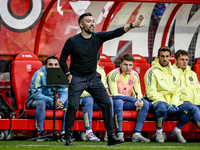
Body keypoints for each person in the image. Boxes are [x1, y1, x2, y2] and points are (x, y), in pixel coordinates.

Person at [59, 12, 144, 146]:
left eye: (93, 21)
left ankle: (111, 137)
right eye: (88, 21)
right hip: (78, 78)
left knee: (106, 103)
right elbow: (62, 60)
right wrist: (69, 75)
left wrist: (133, 25)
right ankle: (68, 138)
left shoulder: (97, 37)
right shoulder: (72, 41)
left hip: (93, 78)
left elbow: (116, 32)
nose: (92, 23)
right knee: (73, 105)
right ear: (81, 25)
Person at [144, 46, 196, 143]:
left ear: (170, 57)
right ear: (158, 57)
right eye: (162, 56)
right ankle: (159, 131)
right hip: (156, 103)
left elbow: (177, 91)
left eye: (167, 56)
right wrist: (167, 104)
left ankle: (177, 130)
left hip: (171, 104)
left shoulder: (175, 71)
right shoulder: (151, 71)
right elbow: (151, 93)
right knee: (162, 107)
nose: (165, 59)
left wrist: (173, 104)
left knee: (191, 107)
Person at [107, 54, 150, 143]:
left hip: (127, 103)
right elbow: (114, 95)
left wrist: (139, 100)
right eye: (125, 65)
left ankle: (137, 134)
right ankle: (119, 134)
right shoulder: (114, 74)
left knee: (145, 103)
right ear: (120, 64)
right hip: (114, 102)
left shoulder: (134, 74)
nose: (128, 67)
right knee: (118, 102)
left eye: (130, 65)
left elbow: (139, 92)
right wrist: (133, 100)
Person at [27, 56, 68, 141]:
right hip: (34, 100)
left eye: (56, 65)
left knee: (68, 103)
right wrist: (53, 101)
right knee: (41, 103)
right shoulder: (39, 74)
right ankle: (40, 132)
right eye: (50, 65)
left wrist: (61, 101)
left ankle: (64, 133)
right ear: (45, 65)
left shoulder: (61, 74)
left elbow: (64, 92)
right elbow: (36, 94)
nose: (53, 67)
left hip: (53, 101)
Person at [79, 53, 113, 141]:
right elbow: (79, 92)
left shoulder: (101, 71)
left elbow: (104, 89)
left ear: (98, 61)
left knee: (109, 100)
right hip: (80, 100)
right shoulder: (78, 70)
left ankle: (109, 133)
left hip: (96, 101)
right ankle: (88, 132)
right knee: (89, 100)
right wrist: (96, 94)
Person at [173, 50, 200, 130]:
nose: (185, 62)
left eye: (186, 60)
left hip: (197, 102)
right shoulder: (171, 73)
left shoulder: (192, 73)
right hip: (183, 103)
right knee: (193, 109)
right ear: (176, 60)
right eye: (182, 60)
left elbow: (198, 88)